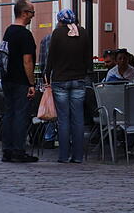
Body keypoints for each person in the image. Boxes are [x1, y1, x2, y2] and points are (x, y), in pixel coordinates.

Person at [44, 9, 92, 164]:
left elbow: (50, 57)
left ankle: (63, 156)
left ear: (60, 20)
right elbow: (88, 57)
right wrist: (85, 72)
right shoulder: (83, 33)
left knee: (63, 119)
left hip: (60, 81)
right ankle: (78, 156)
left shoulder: (57, 34)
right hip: (78, 80)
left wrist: (47, 73)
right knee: (78, 119)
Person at [1, 0, 39, 163]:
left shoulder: (9, 31)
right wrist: (32, 83)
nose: (32, 17)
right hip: (20, 81)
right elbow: (27, 61)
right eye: (32, 13)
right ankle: (18, 150)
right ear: (24, 13)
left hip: (7, 78)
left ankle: (7, 150)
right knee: (21, 116)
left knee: (9, 114)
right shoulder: (25, 35)